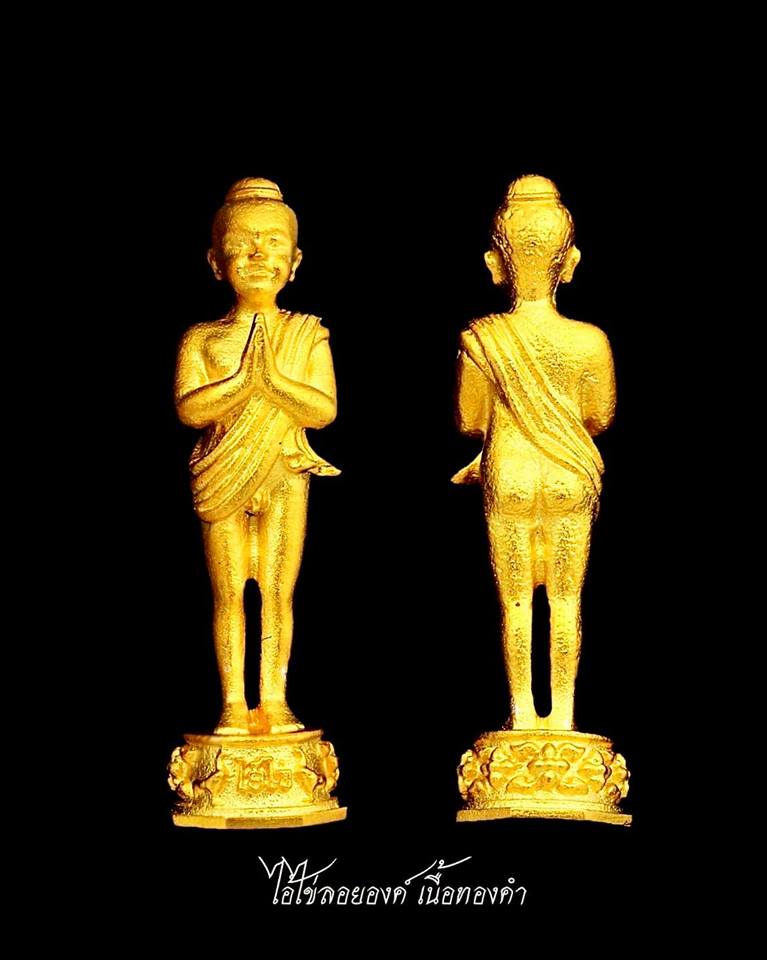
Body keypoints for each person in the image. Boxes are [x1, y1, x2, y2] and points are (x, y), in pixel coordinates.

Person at [175, 178, 339, 735]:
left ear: (295, 261)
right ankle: (231, 702)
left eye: (272, 244)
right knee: (228, 592)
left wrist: (272, 381)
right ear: (215, 262)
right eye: (241, 245)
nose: (257, 255)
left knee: (276, 591)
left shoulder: (306, 334)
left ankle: (273, 697)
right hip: (220, 471)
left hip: (284, 472)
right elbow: (190, 408)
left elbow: (322, 409)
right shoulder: (204, 338)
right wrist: (244, 381)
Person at [453, 175, 616, 730]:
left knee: (517, 602)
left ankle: (523, 713)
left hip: (510, 472)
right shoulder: (590, 341)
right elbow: (600, 416)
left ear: (495, 265)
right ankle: (563, 716)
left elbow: (469, 421)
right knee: (567, 600)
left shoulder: (481, 339)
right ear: (569, 262)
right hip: (571, 473)